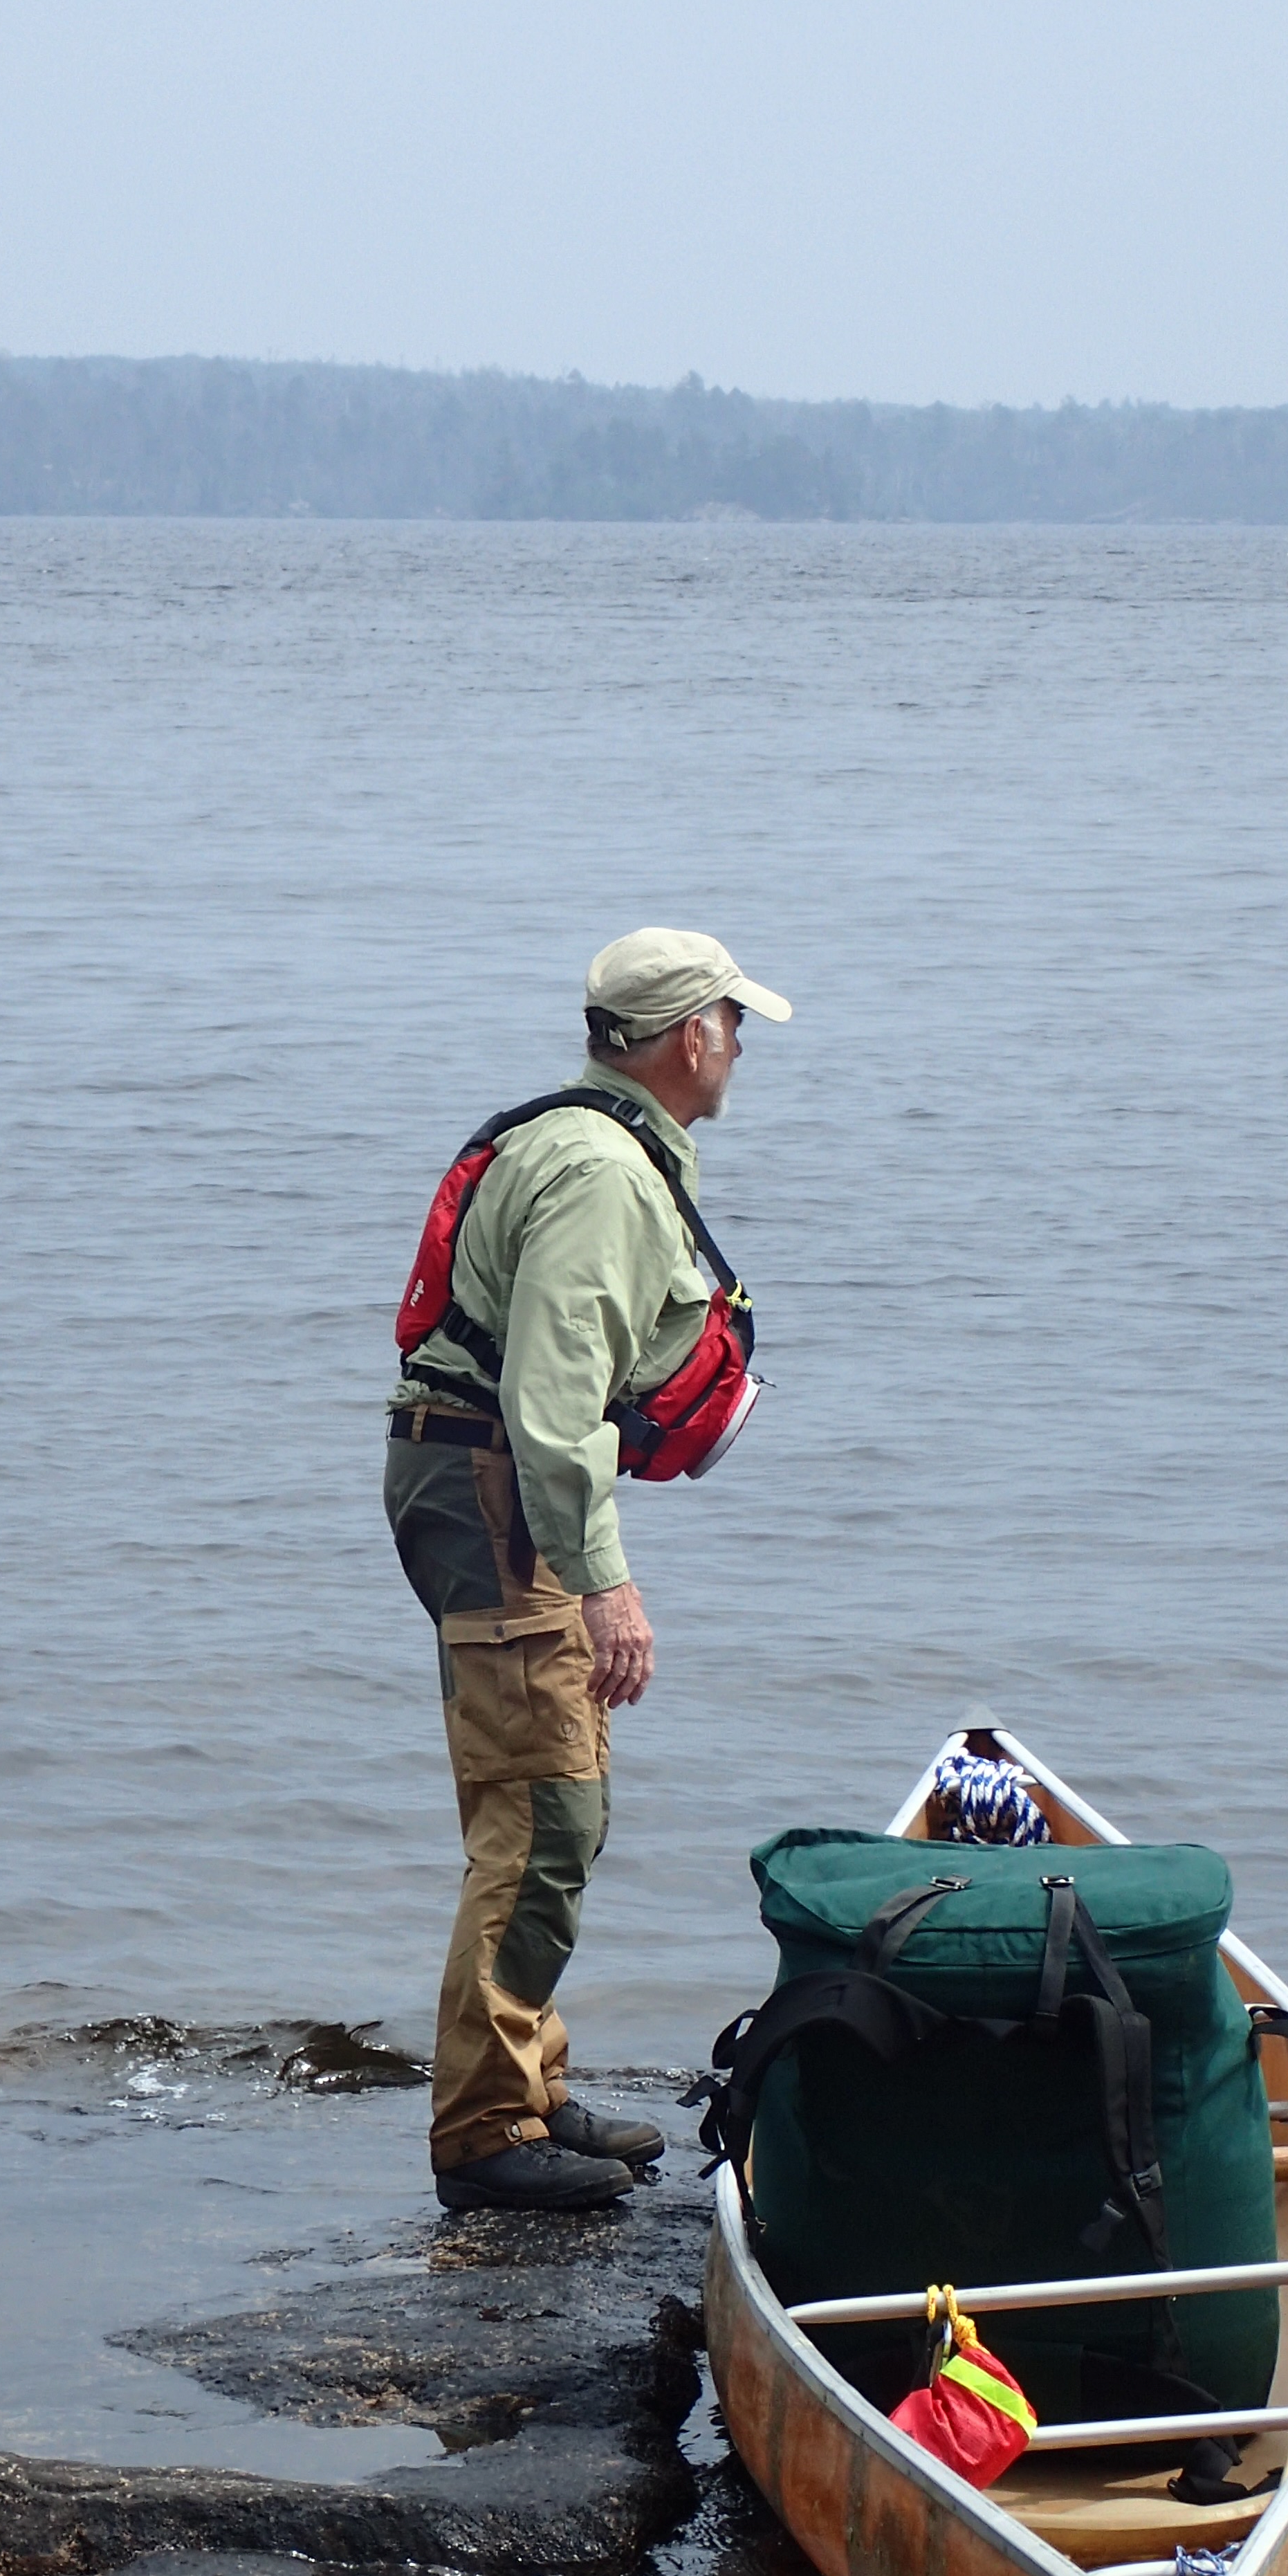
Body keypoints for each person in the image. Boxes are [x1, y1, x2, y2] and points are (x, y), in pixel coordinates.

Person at [384, 928, 792, 2212]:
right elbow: (557, 1407)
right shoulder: (606, 1175)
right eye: (733, 1022)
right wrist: (607, 1581)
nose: (740, 1045)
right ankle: (485, 2132)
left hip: (479, 1481)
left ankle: (530, 2084)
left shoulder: (577, 1139)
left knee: (548, 1793)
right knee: (545, 1809)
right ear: (689, 1037)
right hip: (496, 1486)